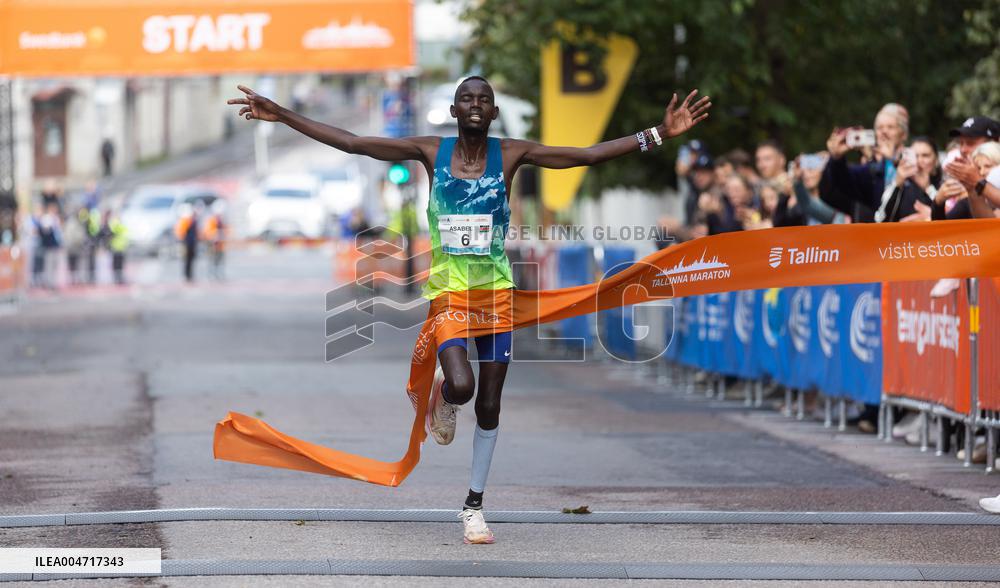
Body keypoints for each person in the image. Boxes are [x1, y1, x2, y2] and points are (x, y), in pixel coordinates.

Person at [228, 77, 712, 544]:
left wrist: (658, 134)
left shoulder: (513, 154)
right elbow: (354, 143)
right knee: (463, 385)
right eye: (466, 98)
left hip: (497, 295)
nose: (476, 103)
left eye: (484, 98)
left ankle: (474, 506)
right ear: (455, 111)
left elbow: (583, 156)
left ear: (494, 112)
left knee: (490, 404)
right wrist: (282, 115)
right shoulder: (429, 151)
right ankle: (444, 394)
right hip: (450, 296)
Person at [175, 204, 200, 282]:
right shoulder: (185, 221)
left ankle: (189, 275)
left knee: (190, 260)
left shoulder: (191, 220)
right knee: (186, 260)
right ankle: (186, 275)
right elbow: (181, 233)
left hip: (191, 243)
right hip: (187, 243)